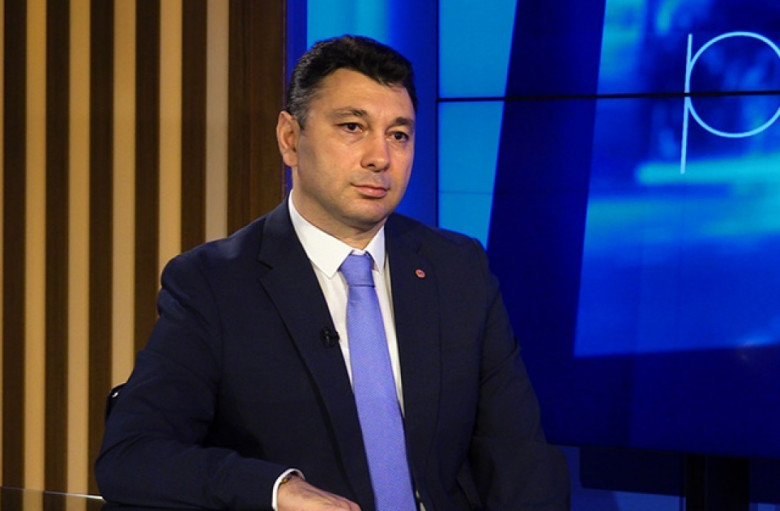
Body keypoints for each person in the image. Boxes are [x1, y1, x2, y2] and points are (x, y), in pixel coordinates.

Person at [95, 34, 570, 511]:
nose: (380, 158)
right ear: (290, 138)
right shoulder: (212, 284)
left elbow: (519, 458)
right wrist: (278, 490)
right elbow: (133, 456)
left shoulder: (458, 269)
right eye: (352, 127)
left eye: (399, 135)